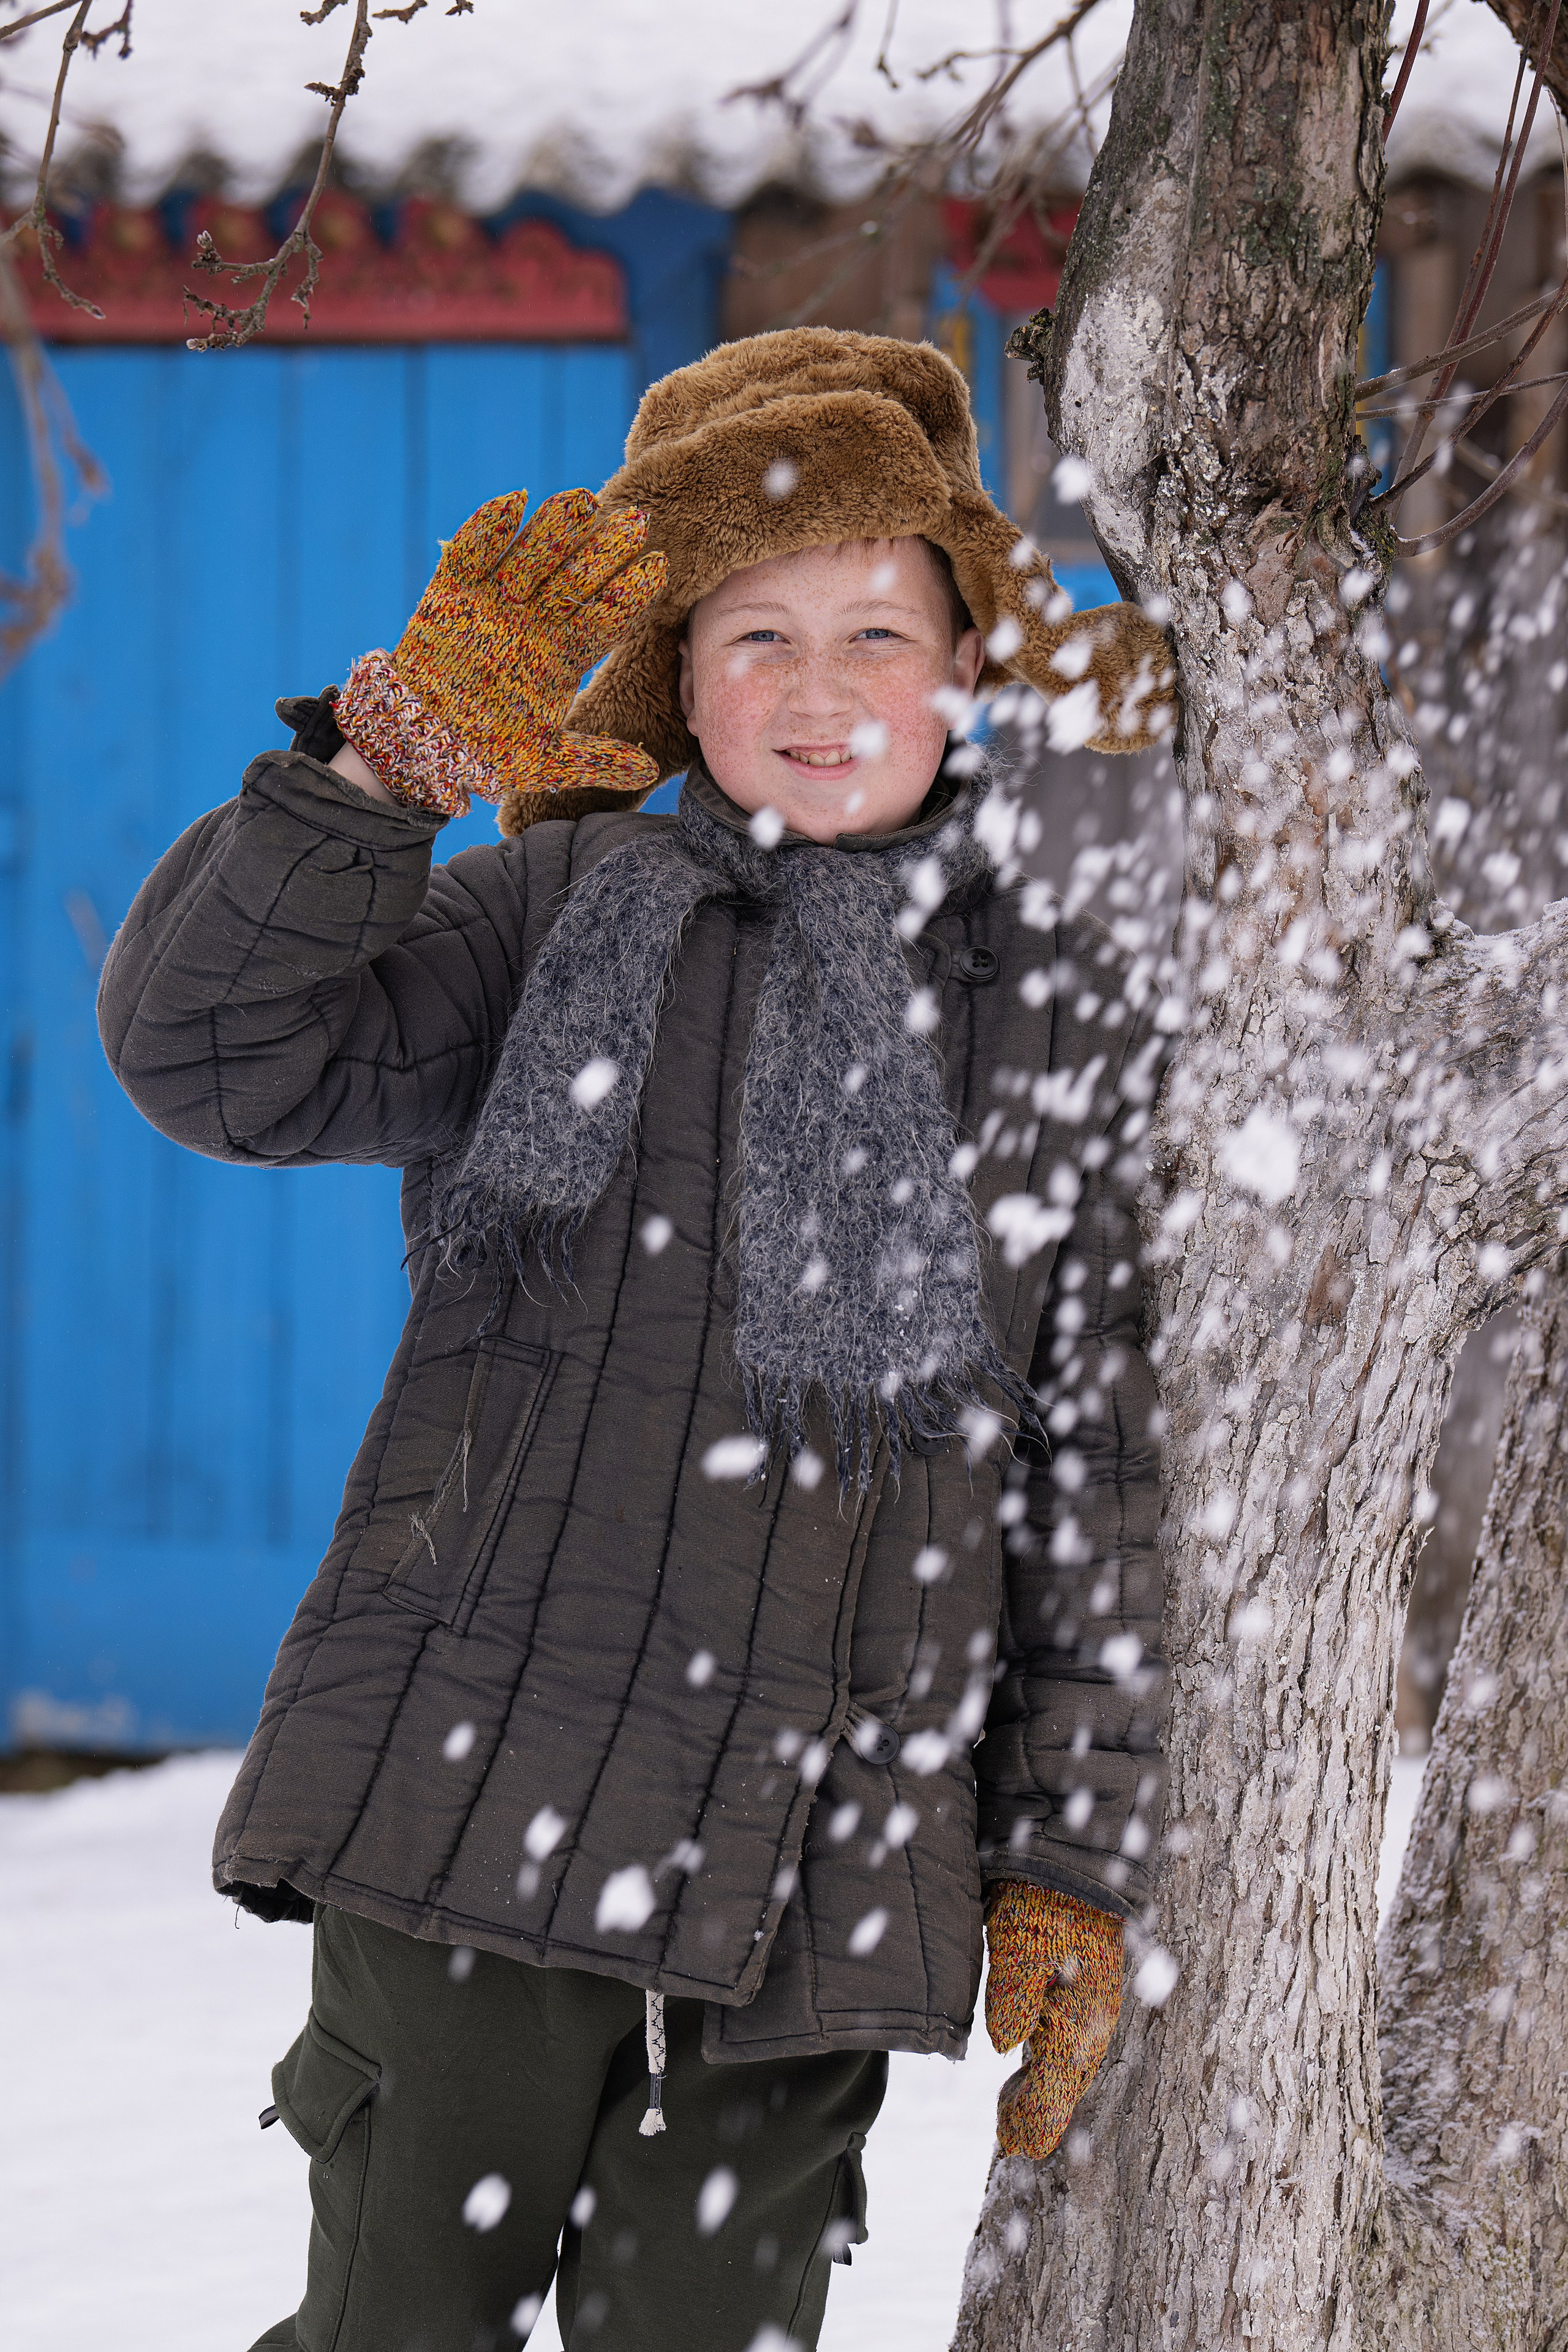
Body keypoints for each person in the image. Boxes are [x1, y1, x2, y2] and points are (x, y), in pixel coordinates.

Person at [100, 328, 1174, 2352]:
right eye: (757, 636)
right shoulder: (542, 916)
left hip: (827, 1871)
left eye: (880, 630)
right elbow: (210, 1057)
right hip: (474, 1805)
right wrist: (384, 769)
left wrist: (1063, 1852)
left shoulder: (1048, 1012)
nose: (824, 691)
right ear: (676, 680)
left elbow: (1095, 1473)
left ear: (964, 665)